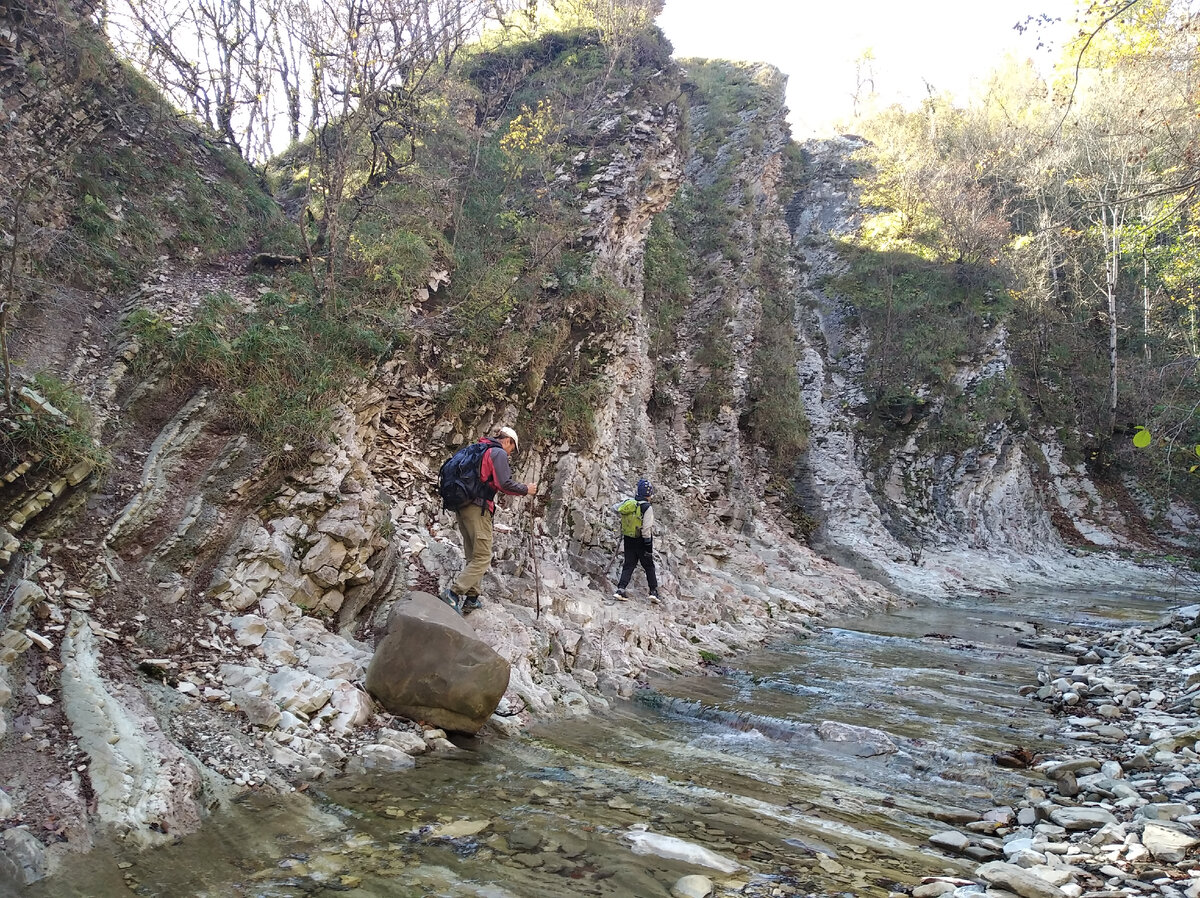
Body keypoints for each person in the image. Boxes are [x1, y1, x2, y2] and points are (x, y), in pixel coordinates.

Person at [442, 426, 537, 615]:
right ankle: (453, 593)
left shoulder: (480, 449)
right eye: (513, 448)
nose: (510, 453)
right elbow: (504, 483)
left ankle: (472, 597)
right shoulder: (498, 453)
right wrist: (526, 489)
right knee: (483, 557)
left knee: (473, 555)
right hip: (478, 508)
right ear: (508, 441)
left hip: (463, 506)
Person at [611, 477, 658, 602]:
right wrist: (648, 546)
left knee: (629, 565)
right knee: (649, 566)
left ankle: (620, 589)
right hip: (642, 541)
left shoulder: (629, 503)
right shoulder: (647, 507)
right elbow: (646, 529)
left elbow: (615, 508)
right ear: (648, 494)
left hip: (628, 538)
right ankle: (653, 592)